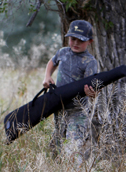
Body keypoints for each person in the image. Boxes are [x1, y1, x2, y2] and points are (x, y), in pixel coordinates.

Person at [42, 20, 98, 161]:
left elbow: (91, 86)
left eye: (81, 40)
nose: (76, 43)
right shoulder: (62, 52)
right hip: (59, 108)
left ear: (90, 41)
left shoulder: (89, 62)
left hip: (77, 110)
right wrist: (47, 77)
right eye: (73, 39)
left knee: (72, 147)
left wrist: (92, 94)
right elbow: (52, 62)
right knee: (58, 143)